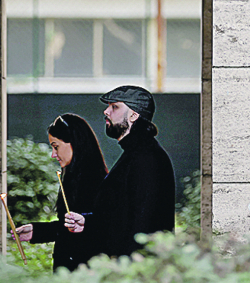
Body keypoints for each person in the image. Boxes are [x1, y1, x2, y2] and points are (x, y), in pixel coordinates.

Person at [64, 85, 175, 258]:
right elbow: (121, 214)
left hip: (136, 273)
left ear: (133, 115)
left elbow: (143, 225)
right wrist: (88, 223)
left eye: (115, 107)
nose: (106, 112)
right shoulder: (139, 153)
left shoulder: (145, 158)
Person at [14, 113, 107, 271]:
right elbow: (68, 228)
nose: (53, 154)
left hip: (84, 271)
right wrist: (36, 232)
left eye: (56, 146)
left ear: (74, 143)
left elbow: (96, 227)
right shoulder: (74, 176)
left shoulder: (95, 180)